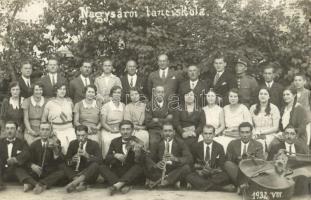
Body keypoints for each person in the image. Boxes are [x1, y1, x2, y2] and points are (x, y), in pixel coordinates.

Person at [100, 120, 145, 195]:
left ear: (132, 130)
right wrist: (115, 155)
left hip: (131, 172)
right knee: (101, 167)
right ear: (120, 131)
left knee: (139, 167)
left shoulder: (138, 141)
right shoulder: (114, 141)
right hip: (117, 172)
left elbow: (143, 161)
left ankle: (116, 185)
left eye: (128, 129)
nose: (125, 132)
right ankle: (124, 184)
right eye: (123, 129)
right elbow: (107, 158)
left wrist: (138, 153)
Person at [144, 121, 192, 189]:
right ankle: (172, 181)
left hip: (175, 169)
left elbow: (189, 158)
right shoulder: (156, 143)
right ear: (162, 132)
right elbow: (148, 158)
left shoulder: (180, 142)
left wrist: (175, 159)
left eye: (170, 131)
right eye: (165, 131)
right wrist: (156, 165)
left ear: (174, 132)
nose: (168, 133)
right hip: (161, 171)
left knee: (186, 168)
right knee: (145, 165)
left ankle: (166, 181)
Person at [185, 125, 232, 191]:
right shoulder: (195, 146)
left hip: (214, 174)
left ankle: (202, 185)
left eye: (210, 133)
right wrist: (199, 171)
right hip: (200, 174)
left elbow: (222, 166)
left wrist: (212, 171)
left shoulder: (219, 147)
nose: (208, 136)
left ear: (214, 135)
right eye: (205, 133)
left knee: (225, 176)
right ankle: (221, 188)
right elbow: (191, 163)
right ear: (202, 135)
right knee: (189, 176)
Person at [267, 125, 310, 195]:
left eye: (292, 134)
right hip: (281, 176)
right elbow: (268, 164)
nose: (289, 136)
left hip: (298, 177)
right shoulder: (275, 147)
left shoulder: (302, 148)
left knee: (303, 179)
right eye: (287, 133)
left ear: (296, 136)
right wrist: (277, 155)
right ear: (283, 135)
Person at [25, 122, 65, 194]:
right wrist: (32, 165)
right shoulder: (34, 144)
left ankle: (38, 184)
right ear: (39, 131)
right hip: (36, 172)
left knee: (62, 173)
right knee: (25, 171)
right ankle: (43, 184)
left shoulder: (55, 143)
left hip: (49, 173)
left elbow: (61, 161)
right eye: (42, 129)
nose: (44, 132)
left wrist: (55, 150)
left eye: (47, 130)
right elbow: (27, 160)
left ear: (50, 132)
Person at [224, 122, 264, 192]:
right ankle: (244, 186)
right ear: (239, 133)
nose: (245, 135)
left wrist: (249, 159)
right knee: (228, 164)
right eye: (242, 132)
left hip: (251, 171)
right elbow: (228, 160)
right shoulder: (232, 144)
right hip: (237, 171)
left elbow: (260, 163)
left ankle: (242, 186)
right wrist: (238, 159)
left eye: (247, 132)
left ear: (251, 133)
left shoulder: (258, 145)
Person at [64, 125, 101, 193]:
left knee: (95, 165)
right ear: (76, 135)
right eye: (78, 135)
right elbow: (67, 161)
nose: (80, 138)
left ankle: (75, 183)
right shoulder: (72, 143)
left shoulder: (94, 144)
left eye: (83, 135)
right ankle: (81, 183)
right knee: (62, 165)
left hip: (89, 174)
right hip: (75, 173)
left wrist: (87, 155)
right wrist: (72, 160)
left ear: (87, 134)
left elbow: (100, 160)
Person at [41, 83, 75, 154]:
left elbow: (74, 117)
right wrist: (49, 131)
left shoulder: (69, 102)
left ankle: (73, 163)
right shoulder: (50, 103)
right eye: (60, 89)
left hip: (69, 128)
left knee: (74, 145)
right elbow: (44, 119)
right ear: (56, 91)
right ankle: (64, 163)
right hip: (56, 130)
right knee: (63, 146)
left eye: (64, 89)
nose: (62, 91)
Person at [0, 121, 33, 192]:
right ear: (5, 130)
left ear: (16, 130)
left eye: (12, 128)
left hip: (17, 174)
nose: (9, 131)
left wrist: (15, 159)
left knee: (18, 167)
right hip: (3, 173)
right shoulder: (1, 142)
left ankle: (28, 183)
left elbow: (27, 153)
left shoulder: (22, 142)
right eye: (7, 128)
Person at [145, 85, 176, 154]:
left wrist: (157, 120)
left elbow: (172, 120)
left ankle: (170, 161)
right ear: (155, 94)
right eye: (158, 92)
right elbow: (148, 123)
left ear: (164, 94)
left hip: (167, 129)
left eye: (162, 92)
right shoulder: (149, 105)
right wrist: (165, 119)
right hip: (154, 130)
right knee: (153, 142)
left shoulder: (169, 104)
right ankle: (154, 162)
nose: (160, 94)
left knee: (174, 142)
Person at [250, 88, 280, 153]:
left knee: (261, 144)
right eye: (261, 94)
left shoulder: (274, 108)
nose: (263, 96)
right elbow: (251, 124)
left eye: (265, 94)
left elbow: (275, 128)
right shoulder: (253, 108)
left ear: (269, 96)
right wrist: (254, 132)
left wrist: (261, 132)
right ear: (258, 96)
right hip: (255, 133)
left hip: (269, 134)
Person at [100, 86, 125, 158]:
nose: (117, 94)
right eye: (115, 92)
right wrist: (111, 130)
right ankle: (107, 160)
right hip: (108, 129)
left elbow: (124, 121)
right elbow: (103, 123)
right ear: (111, 94)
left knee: (124, 140)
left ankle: (121, 160)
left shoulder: (123, 105)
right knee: (107, 141)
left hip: (120, 129)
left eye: (119, 92)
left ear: (121, 94)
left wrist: (120, 130)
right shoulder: (106, 106)